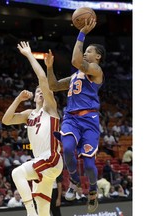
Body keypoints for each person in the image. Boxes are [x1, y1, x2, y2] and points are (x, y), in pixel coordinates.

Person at [46, 18, 105, 213]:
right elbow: (53, 86)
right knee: (68, 148)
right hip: (71, 118)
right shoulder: (73, 77)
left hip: (89, 121)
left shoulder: (96, 70)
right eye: (85, 49)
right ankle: (73, 180)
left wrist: (82, 33)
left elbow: (75, 61)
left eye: (89, 51)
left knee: (89, 164)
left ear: (98, 57)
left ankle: (93, 190)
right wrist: (49, 67)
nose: (86, 52)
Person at [2, 41, 63, 216]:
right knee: (43, 209)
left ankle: (30, 213)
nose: (41, 92)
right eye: (38, 91)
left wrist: (29, 55)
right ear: (34, 96)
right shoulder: (29, 114)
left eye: (43, 91)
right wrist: (18, 100)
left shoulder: (50, 108)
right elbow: (6, 120)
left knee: (17, 173)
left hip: (51, 158)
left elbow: (43, 80)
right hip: (42, 163)